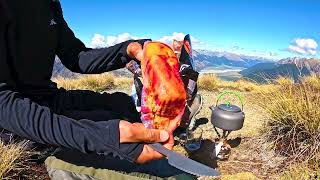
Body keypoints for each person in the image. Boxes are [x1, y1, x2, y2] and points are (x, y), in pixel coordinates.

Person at [0, 0, 195, 179]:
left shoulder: (50, 4)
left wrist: (128, 50)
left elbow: (76, 56)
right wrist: (104, 137)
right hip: (13, 124)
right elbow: (3, 104)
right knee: (127, 153)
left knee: (124, 106)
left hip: (47, 98)